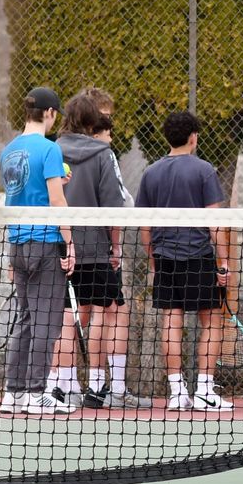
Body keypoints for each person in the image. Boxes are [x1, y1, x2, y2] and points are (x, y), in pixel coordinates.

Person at [137, 111, 233, 411]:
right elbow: (214, 222)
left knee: (171, 321)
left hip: (165, 257)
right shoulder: (204, 170)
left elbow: (144, 225)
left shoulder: (151, 173)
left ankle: (178, 393)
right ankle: (204, 390)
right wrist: (224, 262)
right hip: (198, 257)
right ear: (193, 137)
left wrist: (153, 260)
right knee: (213, 320)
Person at [0, 86, 76, 415]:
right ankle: (35, 392)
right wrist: (69, 243)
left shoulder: (8, 151)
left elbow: (21, 195)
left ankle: (13, 393)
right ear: (49, 114)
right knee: (46, 322)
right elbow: (56, 200)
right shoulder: (49, 150)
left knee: (27, 320)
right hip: (45, 244)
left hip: (17, 244)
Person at [80, 88, 149, 408]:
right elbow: (119, 203)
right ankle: (112, 389)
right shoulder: (102, 153)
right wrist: (116, 246)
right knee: (112, 313)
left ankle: (88, 387)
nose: (110, 121)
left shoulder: (62, 149)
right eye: (106, 115)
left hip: (72, 246)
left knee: (86, 313)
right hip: (99, 247)